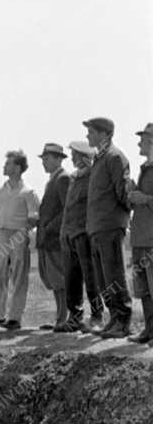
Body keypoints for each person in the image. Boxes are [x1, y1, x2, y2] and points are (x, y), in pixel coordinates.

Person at [0, 150, 40, 331]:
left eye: (8, 163)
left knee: (19, 277)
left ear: (18, 167)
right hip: (1, 235)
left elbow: (34, 218)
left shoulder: (28, 192)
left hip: (19, 236)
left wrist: (21, 236)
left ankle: (14, 318)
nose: (4, 166)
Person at [83, 117, 132, 338]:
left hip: (110, 226)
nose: (87, 136)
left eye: (91, 132)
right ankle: (114, 319)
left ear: (104, 134)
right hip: (97, 227)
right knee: (104, 278)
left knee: (114, 275)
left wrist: (120, 220)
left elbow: (123, 194)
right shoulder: (99, 159)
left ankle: (122, 321)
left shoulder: (114, 157)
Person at [60, 140, 103, 332]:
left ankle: (97, 316)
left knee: (90, 276)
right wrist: (64, 232)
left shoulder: (93, 177)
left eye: (75, 154)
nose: (72, 157)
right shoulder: (75, 178)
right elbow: (68, 208)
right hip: (70, 234)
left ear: (84, 157)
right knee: (71, 277)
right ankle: (75, 317)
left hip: (84, 234)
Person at [36, 143, 71, 330]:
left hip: (56, 239)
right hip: (47, 240)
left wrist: (51, 226)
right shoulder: (53, 180)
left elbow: (67, 208)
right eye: (43, 159)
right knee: (53, 280)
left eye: (47, 159)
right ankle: (60, 317)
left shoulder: (63, 179)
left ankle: (63, 318)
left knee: (60, 279)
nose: (44, 163)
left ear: (58, 159)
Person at [126, 122, 153, 344]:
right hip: (140, 236)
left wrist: (145, 199)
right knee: (143, 287)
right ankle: (148, 330)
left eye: (142, 139)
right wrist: (134, 194)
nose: (138, 143)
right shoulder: (145, 168)